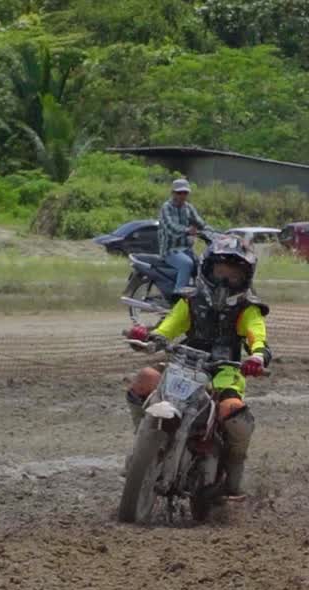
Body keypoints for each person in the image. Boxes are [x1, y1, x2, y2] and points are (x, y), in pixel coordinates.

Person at [126, 236, 271, 499]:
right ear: (207, 269)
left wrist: (258, 356)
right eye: (220, 272)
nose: (225, 281)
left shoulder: (248, 308)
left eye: (234, 275)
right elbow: (169, 326)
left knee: (233, 412)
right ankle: (142, 444)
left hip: (225, 370)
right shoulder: (190, 301)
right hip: (184, 362)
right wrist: (152, 337)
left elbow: (256, 335)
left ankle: (233, 470)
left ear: (246, 278)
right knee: (144, 379)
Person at [159, 178, 208, 297]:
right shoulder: (166, 208)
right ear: (173, 193)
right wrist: (187, 230)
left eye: (185, 193)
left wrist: (218, 235)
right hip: (170, 250)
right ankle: (179, 295)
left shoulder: (188, 208)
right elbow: (171, 227)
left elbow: (201, 223)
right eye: (179, 193)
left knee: (203, 266)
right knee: (186, 264)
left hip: (186, 250)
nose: (182, 195)